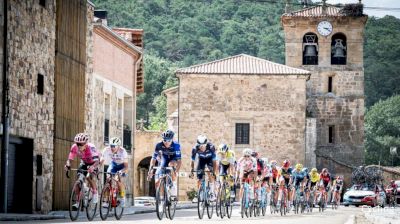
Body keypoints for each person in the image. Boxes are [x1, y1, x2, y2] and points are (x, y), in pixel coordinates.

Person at [64, 133, 101, 207]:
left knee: (88, 177)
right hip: (84, 162)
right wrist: (68, 164)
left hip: (94, 163)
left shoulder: (91, 147)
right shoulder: (74, 147)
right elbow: (70, 159)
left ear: (86, 143)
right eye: (77, 144)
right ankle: (78, 202)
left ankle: (95, 192)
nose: (79, 146)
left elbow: (97, 161)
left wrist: (93, 167)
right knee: (79, 180)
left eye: (81, 144)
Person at [147, 130, 181, 199]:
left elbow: (179, 160)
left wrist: (176, 171)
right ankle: (161, 198)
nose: (166, 142)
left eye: (169, 140)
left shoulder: (176, 145)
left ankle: (173, 188)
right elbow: (153, 159)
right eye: (165, 140)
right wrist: (150, 170)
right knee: (157, 180)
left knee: (171, 164)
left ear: (172, 140)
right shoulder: (159, 145)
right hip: (164, 159)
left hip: (173, 159)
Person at [100, 137, 128, 207]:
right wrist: (98, 167)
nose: (112, 148)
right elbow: (101, 160)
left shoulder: (123, 151)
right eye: (110, 146)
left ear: (118, 146)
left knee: (118, 180)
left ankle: (122, 197)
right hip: (114, 164)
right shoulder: (106, 149)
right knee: (108, 179)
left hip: (122, 166)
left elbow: (126, 167)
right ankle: (106, 200)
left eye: (113, 146)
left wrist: (121, 171)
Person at [189, 134, 217, 201]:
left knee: (210, 173)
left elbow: (214, 162)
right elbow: (192, 161)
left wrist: (214, 172)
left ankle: (212, 193)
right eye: (200, 146)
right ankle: (199, 193)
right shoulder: (195, 148)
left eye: (203, 145)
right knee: (199, 179)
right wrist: (192, 171)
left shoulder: (211, 147)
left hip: (209, 160)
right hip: (201, 160)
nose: (201, 147)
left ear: (206, 144)